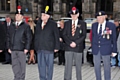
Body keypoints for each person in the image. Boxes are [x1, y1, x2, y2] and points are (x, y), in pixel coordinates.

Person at [34, 5, 60, 80]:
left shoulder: (52, 24)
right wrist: (35, 46)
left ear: (48, 16)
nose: (42, 16)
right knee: (41, 66)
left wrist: (57, 46)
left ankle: (49, 78)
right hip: (40, 48)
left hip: (49, 48)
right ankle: (42, 78)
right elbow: (36, 35)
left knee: (49, 66)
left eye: (44, 15)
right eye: (42, 15)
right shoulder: (38, 24)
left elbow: (56, 35)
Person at [7, 7, 32, 80]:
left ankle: (21, 78)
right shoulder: (12, 26)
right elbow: (8, 36)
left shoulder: (25, 26)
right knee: (15, 65)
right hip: (13, 48)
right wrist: (8, 47)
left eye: (19, 15)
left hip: (21, 49)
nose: (17, 16)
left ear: (22, 17)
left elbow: (28, 37)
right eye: (16, 15)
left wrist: (27, 48)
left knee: (21, 66)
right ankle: (16, 78)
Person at [92, 11, 117, 80]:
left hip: (106, 49)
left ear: (105, 17)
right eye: (98, 17)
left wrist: (114, 50)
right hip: (96, 49)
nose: (99, 18)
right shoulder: (94, 25)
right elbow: (93, 37)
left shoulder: (111, 25)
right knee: (96, 67)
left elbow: (114, 39)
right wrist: (93, 47)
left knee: (107, 68)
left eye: (100, 17)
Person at [63, 7, 86, 80]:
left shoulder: (82, 23)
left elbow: (84, 35)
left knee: (78, 67)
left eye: (75, 15)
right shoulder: (67, 23)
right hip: (68, 47)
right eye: (72, 15)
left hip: (78, 47)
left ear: (78, 14)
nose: (73, 16)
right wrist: (70, 42)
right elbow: (64, 34)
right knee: (68, 66)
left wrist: (76, 43)